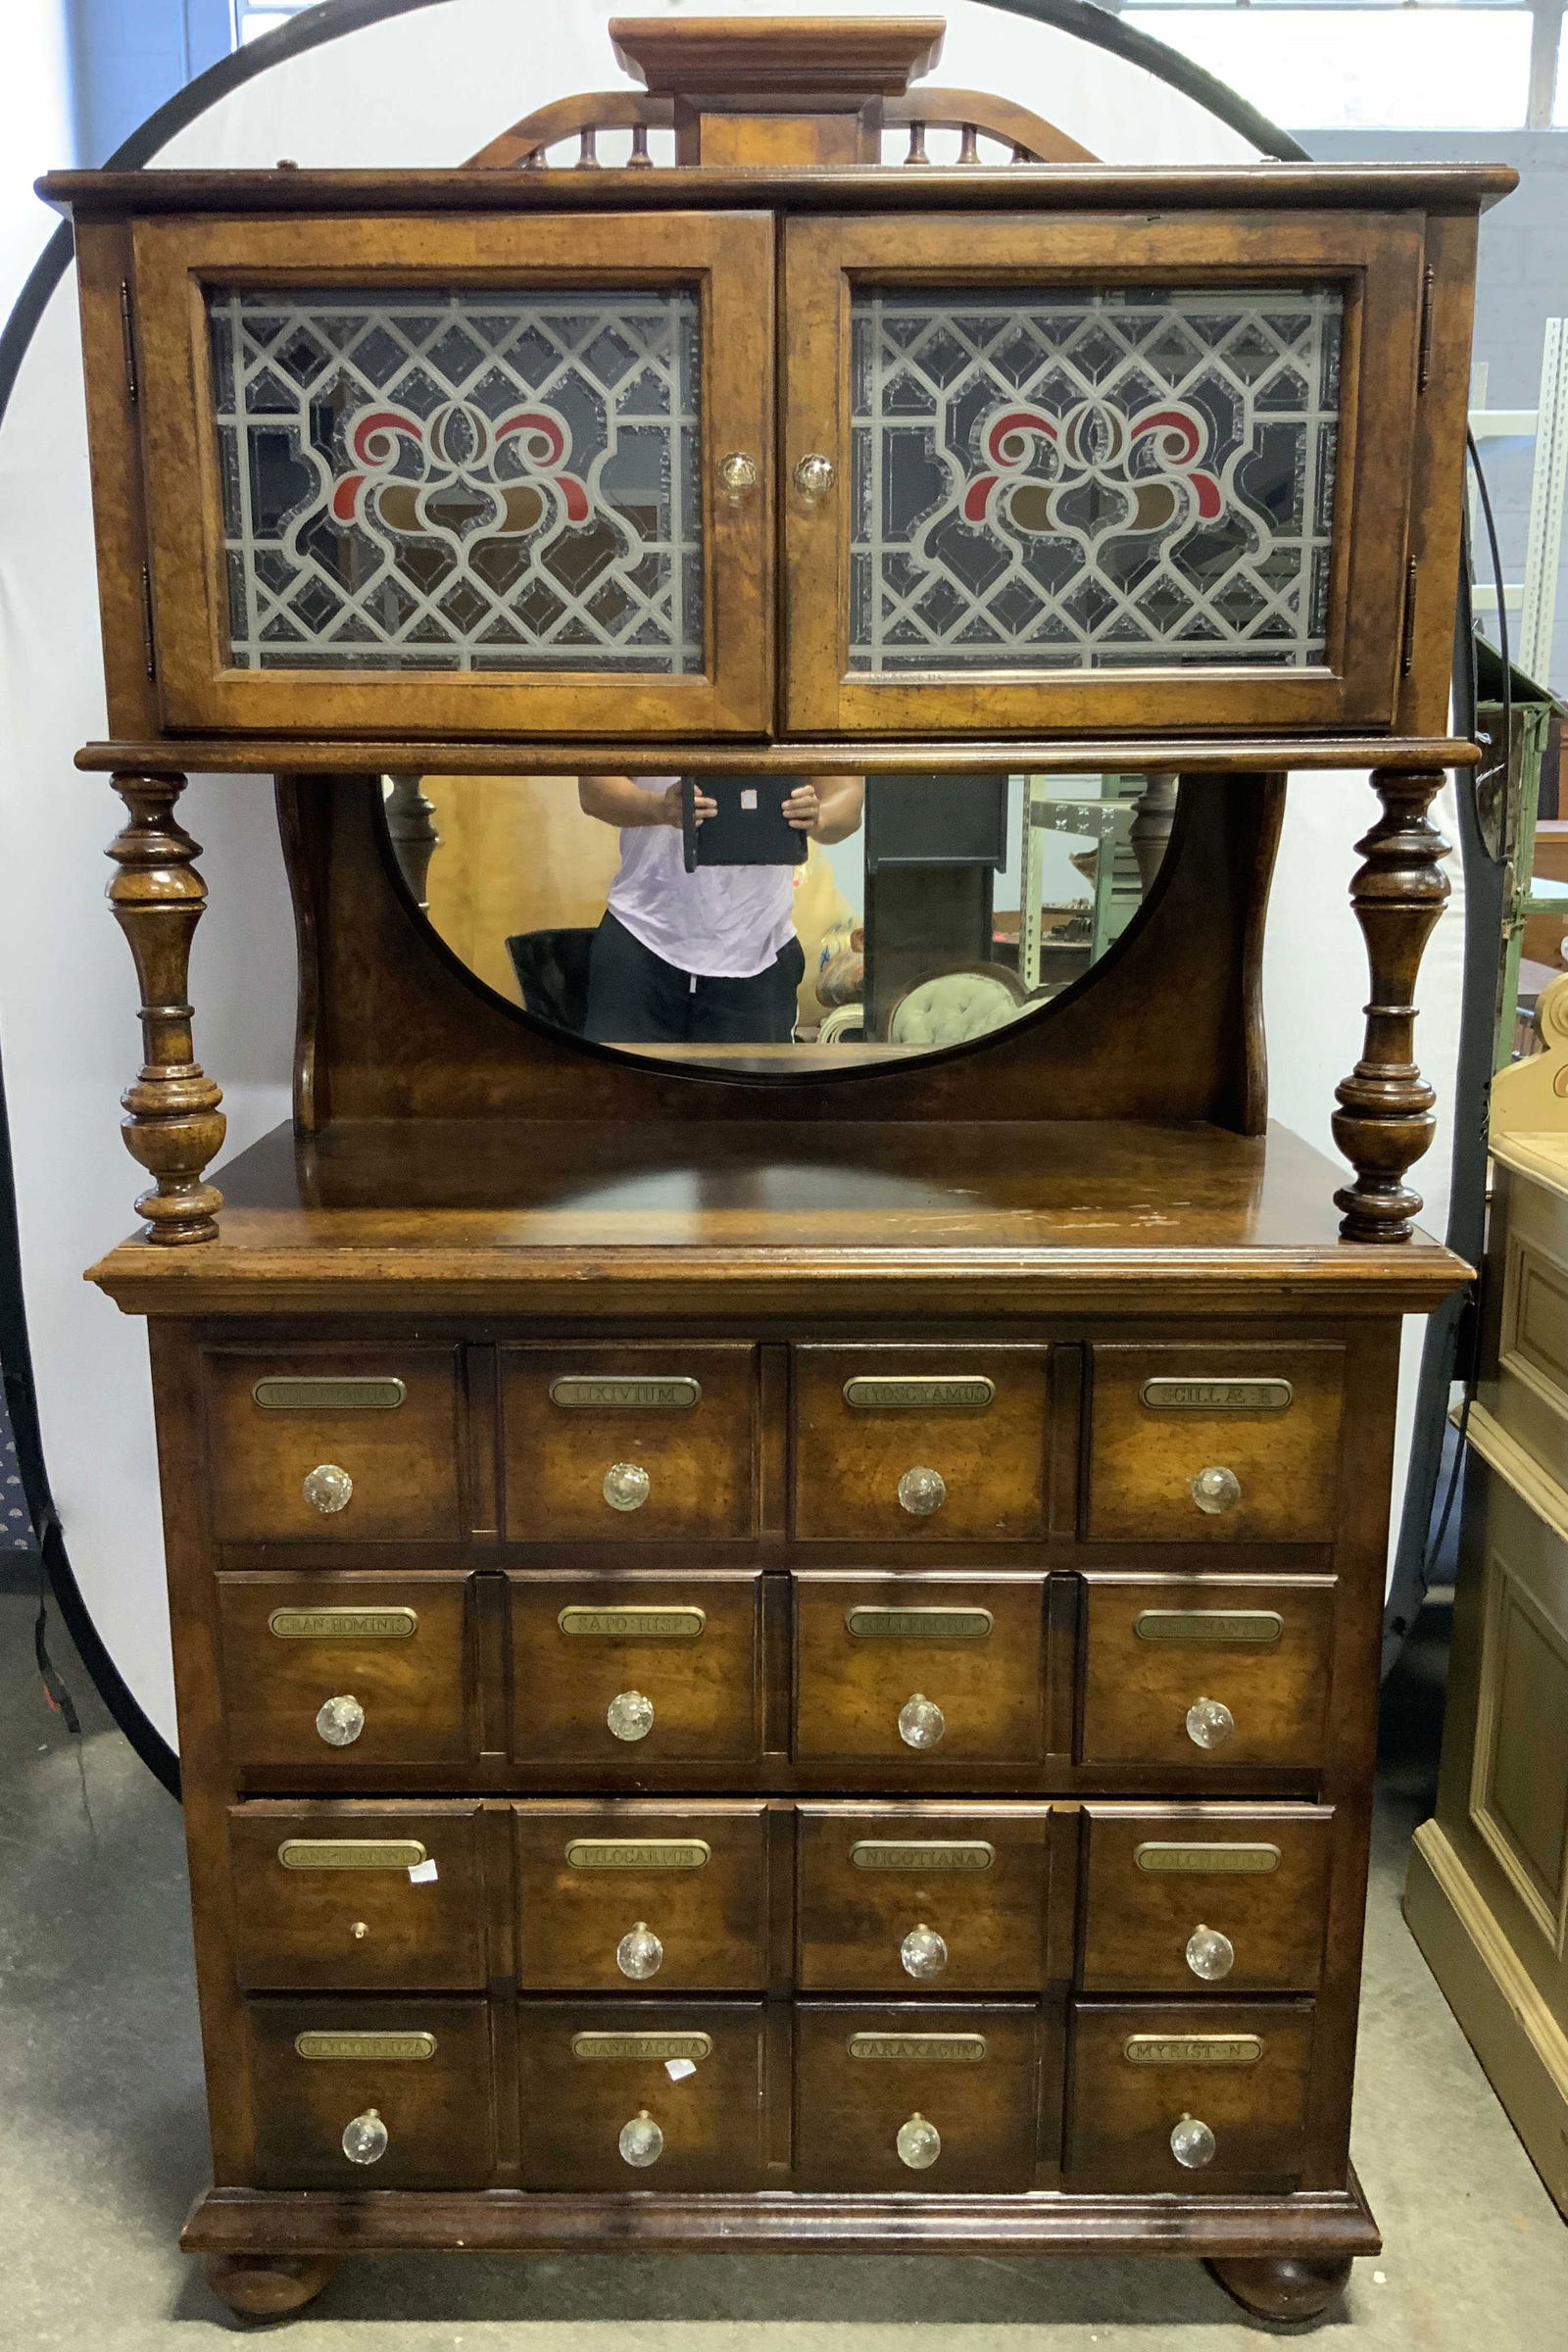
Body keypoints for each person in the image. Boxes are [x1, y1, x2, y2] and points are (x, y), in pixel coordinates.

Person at [578, 773, 864, 1046]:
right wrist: (657, 807)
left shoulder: (792, 720)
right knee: (620, 1091)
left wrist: (819, 817)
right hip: (641, 939)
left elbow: (848, 797)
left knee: (747, 1095)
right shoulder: (646, 718)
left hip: (758, 949)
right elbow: (593, 789)